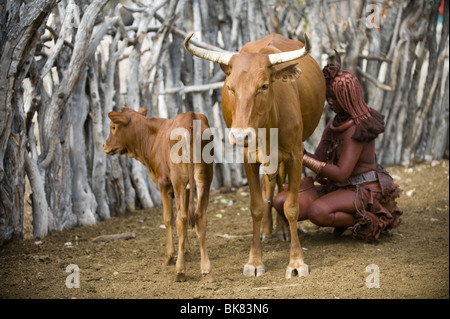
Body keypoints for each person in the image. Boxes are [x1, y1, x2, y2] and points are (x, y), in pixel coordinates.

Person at [273, 51, 402, 243]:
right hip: (338, 187)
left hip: (361, 190)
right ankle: (339, 210)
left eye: (334, 98)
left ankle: (369, 218)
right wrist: (297, 150)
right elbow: (319, 158)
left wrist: (303, 157)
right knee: (281, 201)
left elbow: (341, 173)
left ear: (348, 97)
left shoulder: (358, 127)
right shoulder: (336, 122)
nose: (330, 103)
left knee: (318, 212)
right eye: (328, 97)